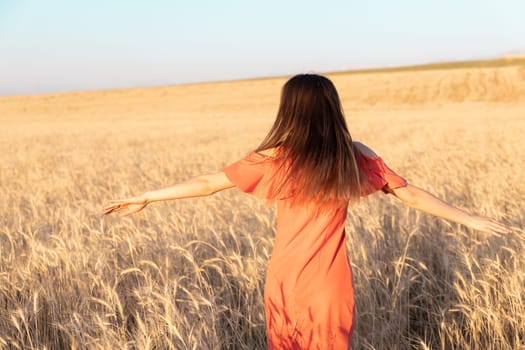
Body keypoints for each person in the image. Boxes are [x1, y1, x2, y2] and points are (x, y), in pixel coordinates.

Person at [103, 74, 511, 349]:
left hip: (284, 282)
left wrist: (148, 196)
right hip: (330, 286)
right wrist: (468, 217)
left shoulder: (275, 158)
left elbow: (209, 184)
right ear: (332, 108)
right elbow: (412, 195)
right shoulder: (354, 157)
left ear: (289, 111)